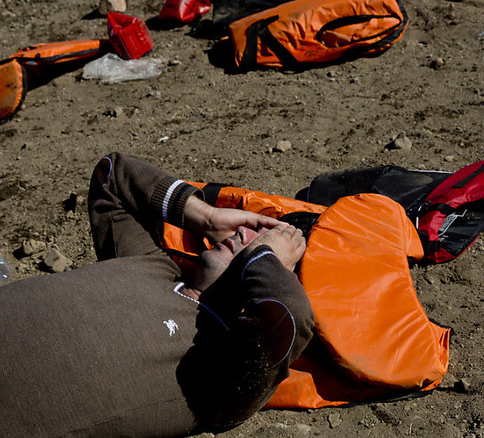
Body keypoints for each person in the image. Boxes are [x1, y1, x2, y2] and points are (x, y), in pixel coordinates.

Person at [0, 152, 314, 438]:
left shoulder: (218, 372)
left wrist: (264, 256)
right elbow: (112, 176)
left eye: (261, 241)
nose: (243, 232)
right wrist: (206, 217)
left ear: (275, 275)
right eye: (255, 228)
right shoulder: (153, 264)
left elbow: (286, 320)